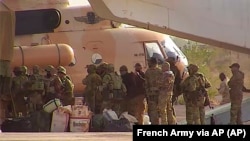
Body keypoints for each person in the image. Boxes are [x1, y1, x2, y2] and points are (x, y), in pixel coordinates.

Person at [144, 57, 162, 124]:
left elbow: (146, 84)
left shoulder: (148, 72)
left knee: (152, 110)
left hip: (151, 94)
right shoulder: (161, 71)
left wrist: (147, 94)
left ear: (152, 63)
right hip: (160, 94)